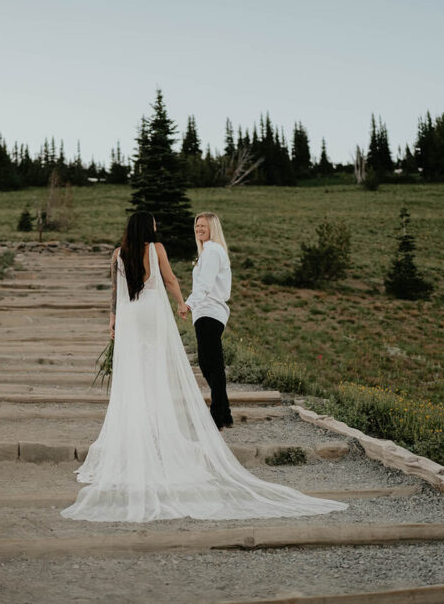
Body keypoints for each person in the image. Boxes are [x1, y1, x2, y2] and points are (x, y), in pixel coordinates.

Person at [62, 211, 346, 522]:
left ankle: (135, 425)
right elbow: (169, 279)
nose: (157, 227)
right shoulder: (156, 249)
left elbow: (115, 291)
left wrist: (113, 319)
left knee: (132, 372)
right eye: (154, 224)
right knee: (156, 369)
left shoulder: (118, 253)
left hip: (130, 315)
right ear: (147, 227)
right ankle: (160, 426)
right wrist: (182, 302)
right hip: (152, 314)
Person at [182, 212, 233, 430]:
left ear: (213, 227)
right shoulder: (208, 251)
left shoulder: (212, 251)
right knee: (207, 362)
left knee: (212, 363)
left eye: (203, 225)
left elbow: (204, 283)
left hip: (209, 311)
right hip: (206, 313)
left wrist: (188, 304)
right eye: (197, 225)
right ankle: (225, 412)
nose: (199, 229)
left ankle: (217, 415)